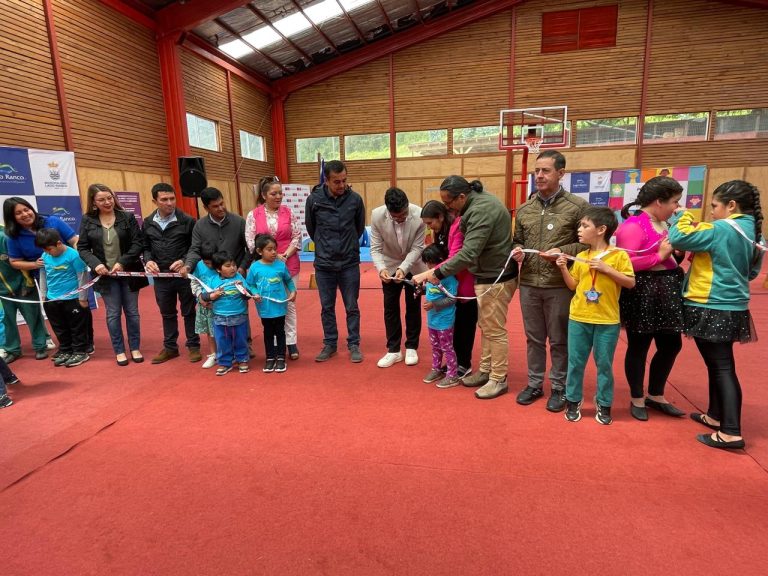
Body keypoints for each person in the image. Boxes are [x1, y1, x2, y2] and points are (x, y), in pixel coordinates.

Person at [668, 180, 764, 450]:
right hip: (733, 305)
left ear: (731, 206)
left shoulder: (720, 228)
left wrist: (682, 215)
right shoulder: (754, 230)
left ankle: (731, 432)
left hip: (710, 303)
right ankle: (715, 416)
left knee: (722, 367)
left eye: (714, 206)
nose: (711, 212)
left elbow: (678, 238)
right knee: (719, 364)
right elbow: (753, 272)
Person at [413, 176, 518, 400]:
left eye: (449, 202)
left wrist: (434, 273)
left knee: (494, 330)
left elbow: (468, 253)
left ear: (462, 196)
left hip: (495, 277)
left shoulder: (479, 210)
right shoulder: (475, 205)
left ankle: (498, 378)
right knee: (487, 327)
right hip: (487, 274)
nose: (447, 207)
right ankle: (487, 371)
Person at [511, 150, 588, 412]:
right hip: (529, 284)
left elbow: (588, 244)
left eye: (545, 171)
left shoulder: (578, 207)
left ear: (561, 173)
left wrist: (563, 252)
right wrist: (518, 250)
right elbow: (517, 239)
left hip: (559, 284)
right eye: (537, 171)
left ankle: (559, 387)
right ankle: (534, 384)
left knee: (558, 339)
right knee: (533, 339)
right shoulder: (524, 208)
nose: (540, 176)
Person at [615, 176, 686, 421]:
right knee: (639, 346)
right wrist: (659, 256)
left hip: (668, 290)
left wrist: (677, 252)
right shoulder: (633, 226)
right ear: (658, 201)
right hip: (643, 292)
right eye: (675, 202)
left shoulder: (666, 223)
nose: (677, 207)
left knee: (671, 344)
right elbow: (625, 264)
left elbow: (672, 256)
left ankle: (656, 394)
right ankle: (636, 397)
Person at [556, 207, 635, 425]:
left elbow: (630, 282)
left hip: (607, 321)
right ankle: (573, 400)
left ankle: (604, 402)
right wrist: (563, 268)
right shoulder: (581, 256)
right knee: (575, 363)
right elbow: (573, 285)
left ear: (601, 229)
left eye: (584, 225)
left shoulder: (619, 255)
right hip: (579, 317)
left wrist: (606, 269)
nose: (579, 229)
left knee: (604, 364)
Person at [3, 197, 88, 361]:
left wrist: (77, 256)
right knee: (58, 320)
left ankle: (82, 348)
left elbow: (74, 240)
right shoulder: (13, 236)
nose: (25, 214)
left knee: (78, 316)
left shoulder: (53, 221)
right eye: (18, 213)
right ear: (12, 217)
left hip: (71, 280)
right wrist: (35, 265)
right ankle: (66, 348)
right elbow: (14, 262)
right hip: (50, 287)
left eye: (26, 209)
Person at [78, 183, 147, 366]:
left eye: (109, 198)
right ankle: (119, 350)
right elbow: (83, 248)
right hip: (105, 277)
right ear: (93, 202)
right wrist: (96, 264)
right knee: (113, 314)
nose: (107, 202)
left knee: (132, 313)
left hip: (129, 272)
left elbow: (137, 243)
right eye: (101, 199)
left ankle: (135, 347)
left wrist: (122, 262)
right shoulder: (87, 220)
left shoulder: (127, 217)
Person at [305, 160, 366, 363]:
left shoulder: (355, 200)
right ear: (326, 180)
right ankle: (330, 343)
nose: (342, 185)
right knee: (327, 307)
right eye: (336, 182)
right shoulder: (314, 200)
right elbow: (311, 229)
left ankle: (354, 343)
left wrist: (347, 246)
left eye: (344, 181)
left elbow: (358, 229)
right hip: (324, 264)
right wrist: (325, 247)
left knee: (352, 306)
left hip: (349, 262)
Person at [245, 176, 302, 360]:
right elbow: (251, 241)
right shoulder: (253, 215)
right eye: (273, 193)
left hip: (288, 264)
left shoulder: (289, 213)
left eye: (280, 193)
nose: (278, 197)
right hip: (263, 268)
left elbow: (297, 236)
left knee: (289, 305)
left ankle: (291, 342)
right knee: (269, 305)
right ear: (264, 195)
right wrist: (272, 255)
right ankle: (275, 345)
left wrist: (285, 255)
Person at [142, 183, 200, 364]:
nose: (169, 203)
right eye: (164, 199)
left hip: (183, 275)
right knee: (167, 313)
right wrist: (148, 260)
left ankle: (193, 346)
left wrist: (184, 261)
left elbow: (194, 247)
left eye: (172, 198)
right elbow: (146, 247)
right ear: (155, 201)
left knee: (189, 311)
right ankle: (170, 347)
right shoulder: (147, 222)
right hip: (161, 277)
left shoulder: (188, 220)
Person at [370, 187, 426, 369]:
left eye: (403, 214)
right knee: (390, 307)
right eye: (396, 217)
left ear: (407, 205)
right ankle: (393, 350)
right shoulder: (377, 216)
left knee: (413, 305)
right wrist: (381, 270)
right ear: (388, 211)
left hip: (414, 264)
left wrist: (403, 268)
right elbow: (376, 249)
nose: (401, 219)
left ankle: (411, 346)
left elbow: (418, 248)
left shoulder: (419, 215)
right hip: (389, 264)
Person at [421, 200, 477, 378]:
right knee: (452, 326)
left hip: (465, 280)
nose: (430, 228)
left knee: (465, 324)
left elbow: (454, 258)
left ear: (440, 216)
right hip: (449, 278)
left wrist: (430, 273)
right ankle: (455, 362)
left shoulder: (457, 227)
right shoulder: (441, 232)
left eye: (431, 223)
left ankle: (463, 364)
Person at [35, 228, 91, 368]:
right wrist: (43, 295)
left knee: (76, 327)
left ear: (59, 243)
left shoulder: (74, 256)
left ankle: (80, 351)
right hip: (52, 299)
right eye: (45, 250)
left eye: (49, 249)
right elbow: (43, 275)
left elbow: (82, 277)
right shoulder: (45, 256)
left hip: (73, 299)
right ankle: (66, 349)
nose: (47, 252)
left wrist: (82, 298)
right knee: (59, 327)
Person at [246, 234, 297, 373]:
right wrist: (255, 293)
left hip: (280, 306)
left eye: (275, 249)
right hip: (264, 308)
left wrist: (293, 292)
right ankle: (270, 357)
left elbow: (288, 281)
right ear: (259, 251)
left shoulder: (281, 266)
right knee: (268, 332)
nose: (274, 252)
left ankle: (281, 357)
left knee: (280, 331)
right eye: (269, 249)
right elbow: (249, 284)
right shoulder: (255, 267)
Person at [0, 223, 50, 363]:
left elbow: (20, 260)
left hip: (23, 286)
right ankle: (13, 349)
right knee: (7, 321)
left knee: (32, 316)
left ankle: (40, 346)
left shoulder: (4, 237)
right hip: (3, 291)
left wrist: (27, 283)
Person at [200, 251, 251, 376]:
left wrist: (243, 291)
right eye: (228, 266)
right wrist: (213, 295)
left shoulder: (239, 278)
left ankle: (242, 360)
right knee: (222, 341)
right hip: (219, 318)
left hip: (239, 316)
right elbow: (204, 296)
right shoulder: (212, 281)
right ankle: (224, 362)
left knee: (240, 340)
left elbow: (248, 295)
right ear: (218, 269)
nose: (232, 268)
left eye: (233, 265)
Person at [419, 244, 460, 389]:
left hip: (444, 320)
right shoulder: (431, 276)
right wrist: (421, 290)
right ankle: (436, 369)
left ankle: (452, 375)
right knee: (435, 346)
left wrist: (434, 304)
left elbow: (452, 298)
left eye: (431, 262)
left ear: (441, 260)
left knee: (447, 347)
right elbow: (431, 291)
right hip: (432, 320)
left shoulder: (449, 278)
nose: (429, 266)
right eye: (427, 263)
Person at [190, 241, 219, 369]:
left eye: (212, 262)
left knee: (223, 331)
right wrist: (200, 297)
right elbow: (194, 282)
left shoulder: (222, 264)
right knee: (210, 331)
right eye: (207, 263)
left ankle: (228, 353)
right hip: (204, 304)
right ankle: (213, 354)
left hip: (220, 305)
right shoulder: (198, 266)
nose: (210, 265)